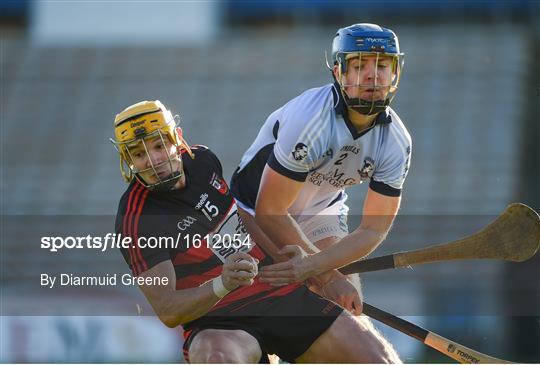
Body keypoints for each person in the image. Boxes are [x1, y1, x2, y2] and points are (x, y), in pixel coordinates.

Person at [111, 100, 401, 363]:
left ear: (177, 138)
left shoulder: (202, 161)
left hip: (276, 291)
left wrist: (302, 269)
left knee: (379, 359)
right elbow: (168, 310)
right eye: (139, 154)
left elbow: (239, 215)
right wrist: (221, 284)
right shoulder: (136, 219)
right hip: (218, 321)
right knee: (216, 357)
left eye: (159, 145)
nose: (152, 160)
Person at [230, 23, 412, 308]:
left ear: (395, 72)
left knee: (347, 310)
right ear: (339, 72)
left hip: (322, 210)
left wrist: (318, 267)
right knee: (296, 305)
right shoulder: (311, 120)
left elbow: (373, 230)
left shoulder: (396, 142)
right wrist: (326, 275)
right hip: (252, 210)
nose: (372, 75)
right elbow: (271, 212)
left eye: (382, 65)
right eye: (359, 65)